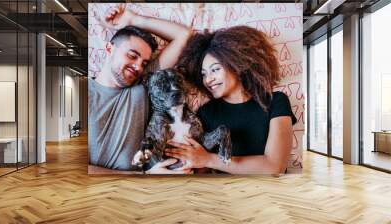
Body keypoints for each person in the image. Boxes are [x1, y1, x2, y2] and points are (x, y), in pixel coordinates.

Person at [167, 26, 297, 174]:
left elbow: (274, 167)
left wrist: (209, 159)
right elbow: (198, 165)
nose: (208, 80)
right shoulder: (206, 112)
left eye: (215, 69)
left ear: (237, 65)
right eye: (203, 74)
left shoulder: (276, 101)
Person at [88, 4, 192, 174]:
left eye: (144, 63)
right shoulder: (85, 93)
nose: (138, 67)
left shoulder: (142, 84)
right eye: (132, 55)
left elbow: (184, 35)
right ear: (109, 48)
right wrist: (143, 176)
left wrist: (134, 19)